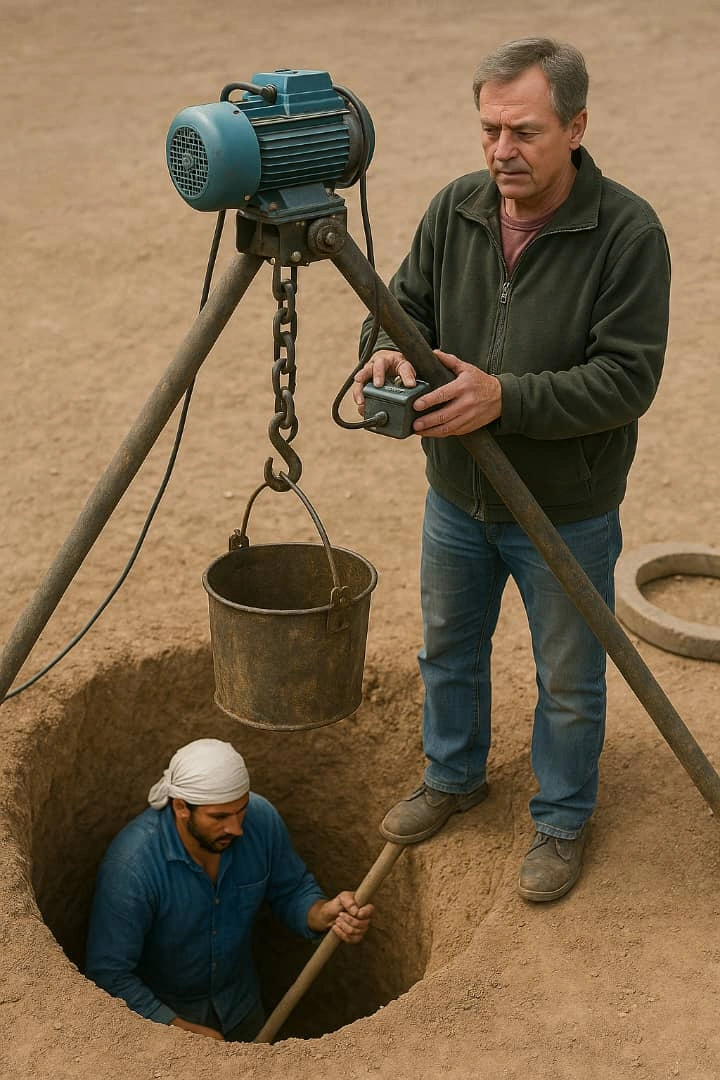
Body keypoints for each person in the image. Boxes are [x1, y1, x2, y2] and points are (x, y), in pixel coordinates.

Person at [352, 37, 670, 901]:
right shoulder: (456, 207)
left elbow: (627, 378)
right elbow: (400, 305)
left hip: (565, 507)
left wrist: (505, 399)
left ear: (576, 127)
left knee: (568, 678)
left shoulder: (628, 233)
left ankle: (561, 819)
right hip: (457, 496)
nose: (502, 150)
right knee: (449, 650)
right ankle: (453, 778)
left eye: (524, 132)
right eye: (490, 129)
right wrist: (384, 349)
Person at [85, 738, 373, 1041]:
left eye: (241, 810)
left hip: (241, 1005)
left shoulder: (261, 821)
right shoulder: (132, 867)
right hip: (164, 1023)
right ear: (181, 807)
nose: (236, 828)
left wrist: (321, 913)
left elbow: (291, 889)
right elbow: (109, 973)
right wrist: (181, 1032)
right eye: (219, 817)